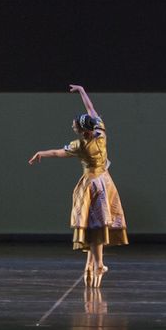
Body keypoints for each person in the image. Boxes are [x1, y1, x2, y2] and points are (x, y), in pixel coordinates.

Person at [29, 84, 128, 287]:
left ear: (83, 132)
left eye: (75, 126)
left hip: (92, 184)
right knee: (97, 224)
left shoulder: (81, 146)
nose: (73, 126)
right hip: (105, 181)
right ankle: (94, 262)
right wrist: (82, 91)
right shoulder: (101, 135)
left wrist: (41, 153)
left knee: (94, 224)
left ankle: (98, 263)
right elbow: (92, 110)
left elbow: (58, 152)